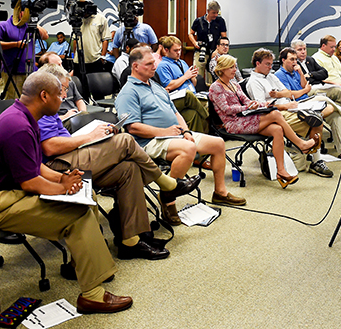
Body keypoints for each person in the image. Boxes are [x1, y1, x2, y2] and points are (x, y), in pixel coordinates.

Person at [0, 71, 133, 314]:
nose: (63, 98)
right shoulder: (18, 126)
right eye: (60, 94)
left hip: (10, 192)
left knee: (87, 197)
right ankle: (92, 295)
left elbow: (35, 166)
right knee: (77, 213)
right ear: (44, 95)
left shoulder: (25, 117)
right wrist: (63, 188)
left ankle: (83, 267)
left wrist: (63, 178)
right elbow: (30, 182)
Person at [38, 64, 200, 259]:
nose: (65, 96)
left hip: (71, 156)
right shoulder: (42, 111)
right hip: (57, 168)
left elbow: (65, 142)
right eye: (63, 89)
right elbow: (49, 147)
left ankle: (130, 241)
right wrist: (89, 137)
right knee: (125, 140)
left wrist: (96, 137)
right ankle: (167, 184)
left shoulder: (51, 109)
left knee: (128, 168)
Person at [115, 46, 246, 226]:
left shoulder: (156, 86)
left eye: (154, 62)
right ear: (135, 66)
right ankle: (168, 199)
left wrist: (185, 131)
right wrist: (165, 132)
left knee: (218, 143)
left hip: (174, 134)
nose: (154, 66)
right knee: (188, 148)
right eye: (149, 64)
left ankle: (220, 193)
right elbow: (133, 128)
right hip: (150, 141)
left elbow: (175, 112)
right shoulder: (128, 92)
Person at [210, 55, 317, 188]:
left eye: (234, 67)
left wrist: (257, 104)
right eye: (231, 67)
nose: (234, 70)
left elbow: (246, 101)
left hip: (244, 117)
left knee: (277, 129)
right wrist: (247, 107)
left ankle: (281, 171)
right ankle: (301, 144)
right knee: (276, 114)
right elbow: (226, 109)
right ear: (223, 69)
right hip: (233, 124)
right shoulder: (216, 87)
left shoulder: (234, 84)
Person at [246, 48, 333, 177]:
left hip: (289, 107)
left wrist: (281, 96)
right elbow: (263, 107)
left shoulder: (270, 76)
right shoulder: (254, 82)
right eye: (267, 64)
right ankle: (304, 151)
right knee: (316, 120)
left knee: (317, 117)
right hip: (275, 114)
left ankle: (316, 161)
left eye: (271, 64)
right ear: (257, 64)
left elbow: (287, 92)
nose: (270, 67)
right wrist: (285, 104)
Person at [275, 47, 341, 163]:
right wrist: (304, 91)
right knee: (322, 98)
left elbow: (304, 87)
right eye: (291, 59)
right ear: (283, 60)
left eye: (295, 59)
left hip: (307, 100)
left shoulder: (295, 71)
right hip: (297, 104)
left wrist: (300, 72)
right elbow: (290, 95)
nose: (294, 62)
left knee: (335, 116)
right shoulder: (280, 74)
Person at [292, 39, 341, 126]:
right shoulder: (295, 64)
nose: (303, 52)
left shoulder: (310, 59)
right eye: (300, 50)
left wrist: (310, 74)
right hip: (310, 90)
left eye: (304, 49)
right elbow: (307, 81)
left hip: (323, 87)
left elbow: (324, 73)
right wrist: (314, 77)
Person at [155, 36, 210, 136]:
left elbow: (193, 84)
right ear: (166, 50)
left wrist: (192, 77)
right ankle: (208, 117)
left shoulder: (182, 62)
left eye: (180, 50)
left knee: (194, 114)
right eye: (175, 50)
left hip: (191, 97)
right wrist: (185, 77)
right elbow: (169, 86)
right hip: (175, 98)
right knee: (189, 95)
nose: (179, 53)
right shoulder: (163, 65)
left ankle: (202, 140)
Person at [0, 4, 49, 99]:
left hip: (31, 70)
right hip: (12, 70)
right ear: (19, 12)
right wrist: (16, 44)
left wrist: (34, 23)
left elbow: (45, 36)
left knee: (31, 99)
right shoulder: (3, 26)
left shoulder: (30, 27)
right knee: (13, 99)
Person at [189, 0, 227, 84]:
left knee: (212, 76)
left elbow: (224, 37)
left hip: (214, 51)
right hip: (200, 51)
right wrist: (195, 43)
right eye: (213, 13)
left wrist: (218, 50)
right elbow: (191, 33)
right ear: (208, 11)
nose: (215, 15)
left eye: (217, 12)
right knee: (197, 74)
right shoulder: (198, 21)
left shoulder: (220, 21)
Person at [71, 11, 111, 75]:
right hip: (78, 61)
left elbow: (105, 39)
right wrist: (75, 55)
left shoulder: (100, 19)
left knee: (95, 84)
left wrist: (102, 57)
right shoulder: (78, 20)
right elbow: (75, 39)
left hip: (95, 60)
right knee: (78, 83)